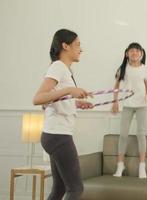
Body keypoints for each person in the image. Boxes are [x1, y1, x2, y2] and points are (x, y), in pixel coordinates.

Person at [33, 29, 93, 200]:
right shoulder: (58, 67)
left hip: (54, 134)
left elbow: (55, 99)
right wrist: (69, 90)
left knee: (59, 189)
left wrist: (76, 102)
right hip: (58, 135)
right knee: (76, 189)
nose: (81, 49)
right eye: (78, 45)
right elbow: (38, 99)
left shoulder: (64, 69)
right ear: (65, 46)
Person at [112, 42, 147, 179]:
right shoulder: (123, 68)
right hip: (127, 104)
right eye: (132, 51)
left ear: (141, 54)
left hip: (142, 104)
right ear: (127, 53)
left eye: (137, 51)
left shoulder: (144, 68)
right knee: (123, 134)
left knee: (141, 134)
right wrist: (115, 101)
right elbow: (116, 85)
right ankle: (120, 165)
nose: (134, 53)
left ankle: (142, 166)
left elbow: (146, 84)